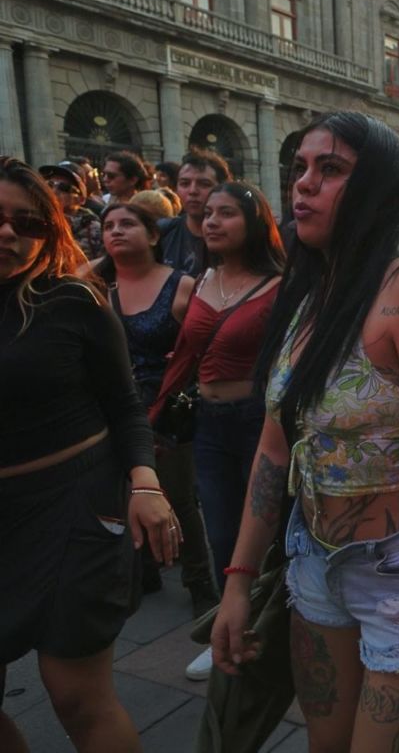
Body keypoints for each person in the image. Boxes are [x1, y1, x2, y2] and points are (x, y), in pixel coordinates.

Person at [209, 112, 399, 751]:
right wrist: (237, 583)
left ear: (376, 190)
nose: (303, 185)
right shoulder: (309, 292)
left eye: (331, 170)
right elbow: (275, 449)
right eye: (299, 168)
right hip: (314, 560)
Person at [0, 156, 177, 753]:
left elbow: (125, 405)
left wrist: (147, 487)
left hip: (75, 505)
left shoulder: (75, 298)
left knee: (76, 695)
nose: (8, 233)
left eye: (27, 223)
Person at [150, 181, 285, 680]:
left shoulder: (281, 285)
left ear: (253, 223)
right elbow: (185, 357)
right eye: (207, 213)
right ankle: (229, 630)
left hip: (259, 422)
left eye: (225, 213)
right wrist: (154, 420)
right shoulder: (202, 279)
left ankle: (276, 627)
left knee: (266, 532)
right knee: (223, 533)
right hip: (207, 424)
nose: (210, 222)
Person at [90, 201, 217, 613]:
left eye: (128, 224)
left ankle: (200, 585)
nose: (116, 231)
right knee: (125, 490)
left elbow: (209, 343)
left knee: (179, 497)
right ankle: (144, 572)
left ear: (154, 235)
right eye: (109, 226)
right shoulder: (96, 285)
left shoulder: (181, 285)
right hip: (114, 405)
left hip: (169, 405)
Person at [157, 148, 232, 277]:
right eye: (185, 183)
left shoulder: (236, 236)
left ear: (222, 188)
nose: (192, 191)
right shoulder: (162, 232)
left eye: (204, 184)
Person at [39, 161, 103, 260]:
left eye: (64, 188)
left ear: (81, 199)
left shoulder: (93, 229)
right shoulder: (34, 221)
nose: (54, 191)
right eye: (50, 184)